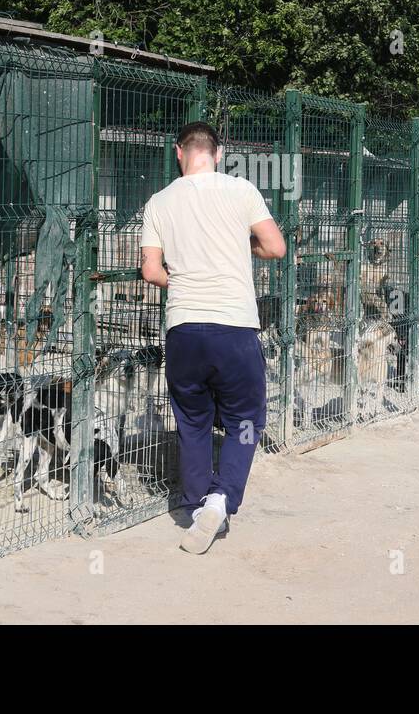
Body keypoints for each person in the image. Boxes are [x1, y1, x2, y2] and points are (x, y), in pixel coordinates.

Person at [139, 122, 286, 554]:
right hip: (234, 326)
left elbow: (150, 271)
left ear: (178, 152)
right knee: (244, 421)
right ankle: (221, 499)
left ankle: (198, 500)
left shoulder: (159, 201)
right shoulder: (241, 190)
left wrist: (185, 282)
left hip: (183, 327)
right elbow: (275, 247)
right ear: (218, 154)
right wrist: (244, 250)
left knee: (193, 419)